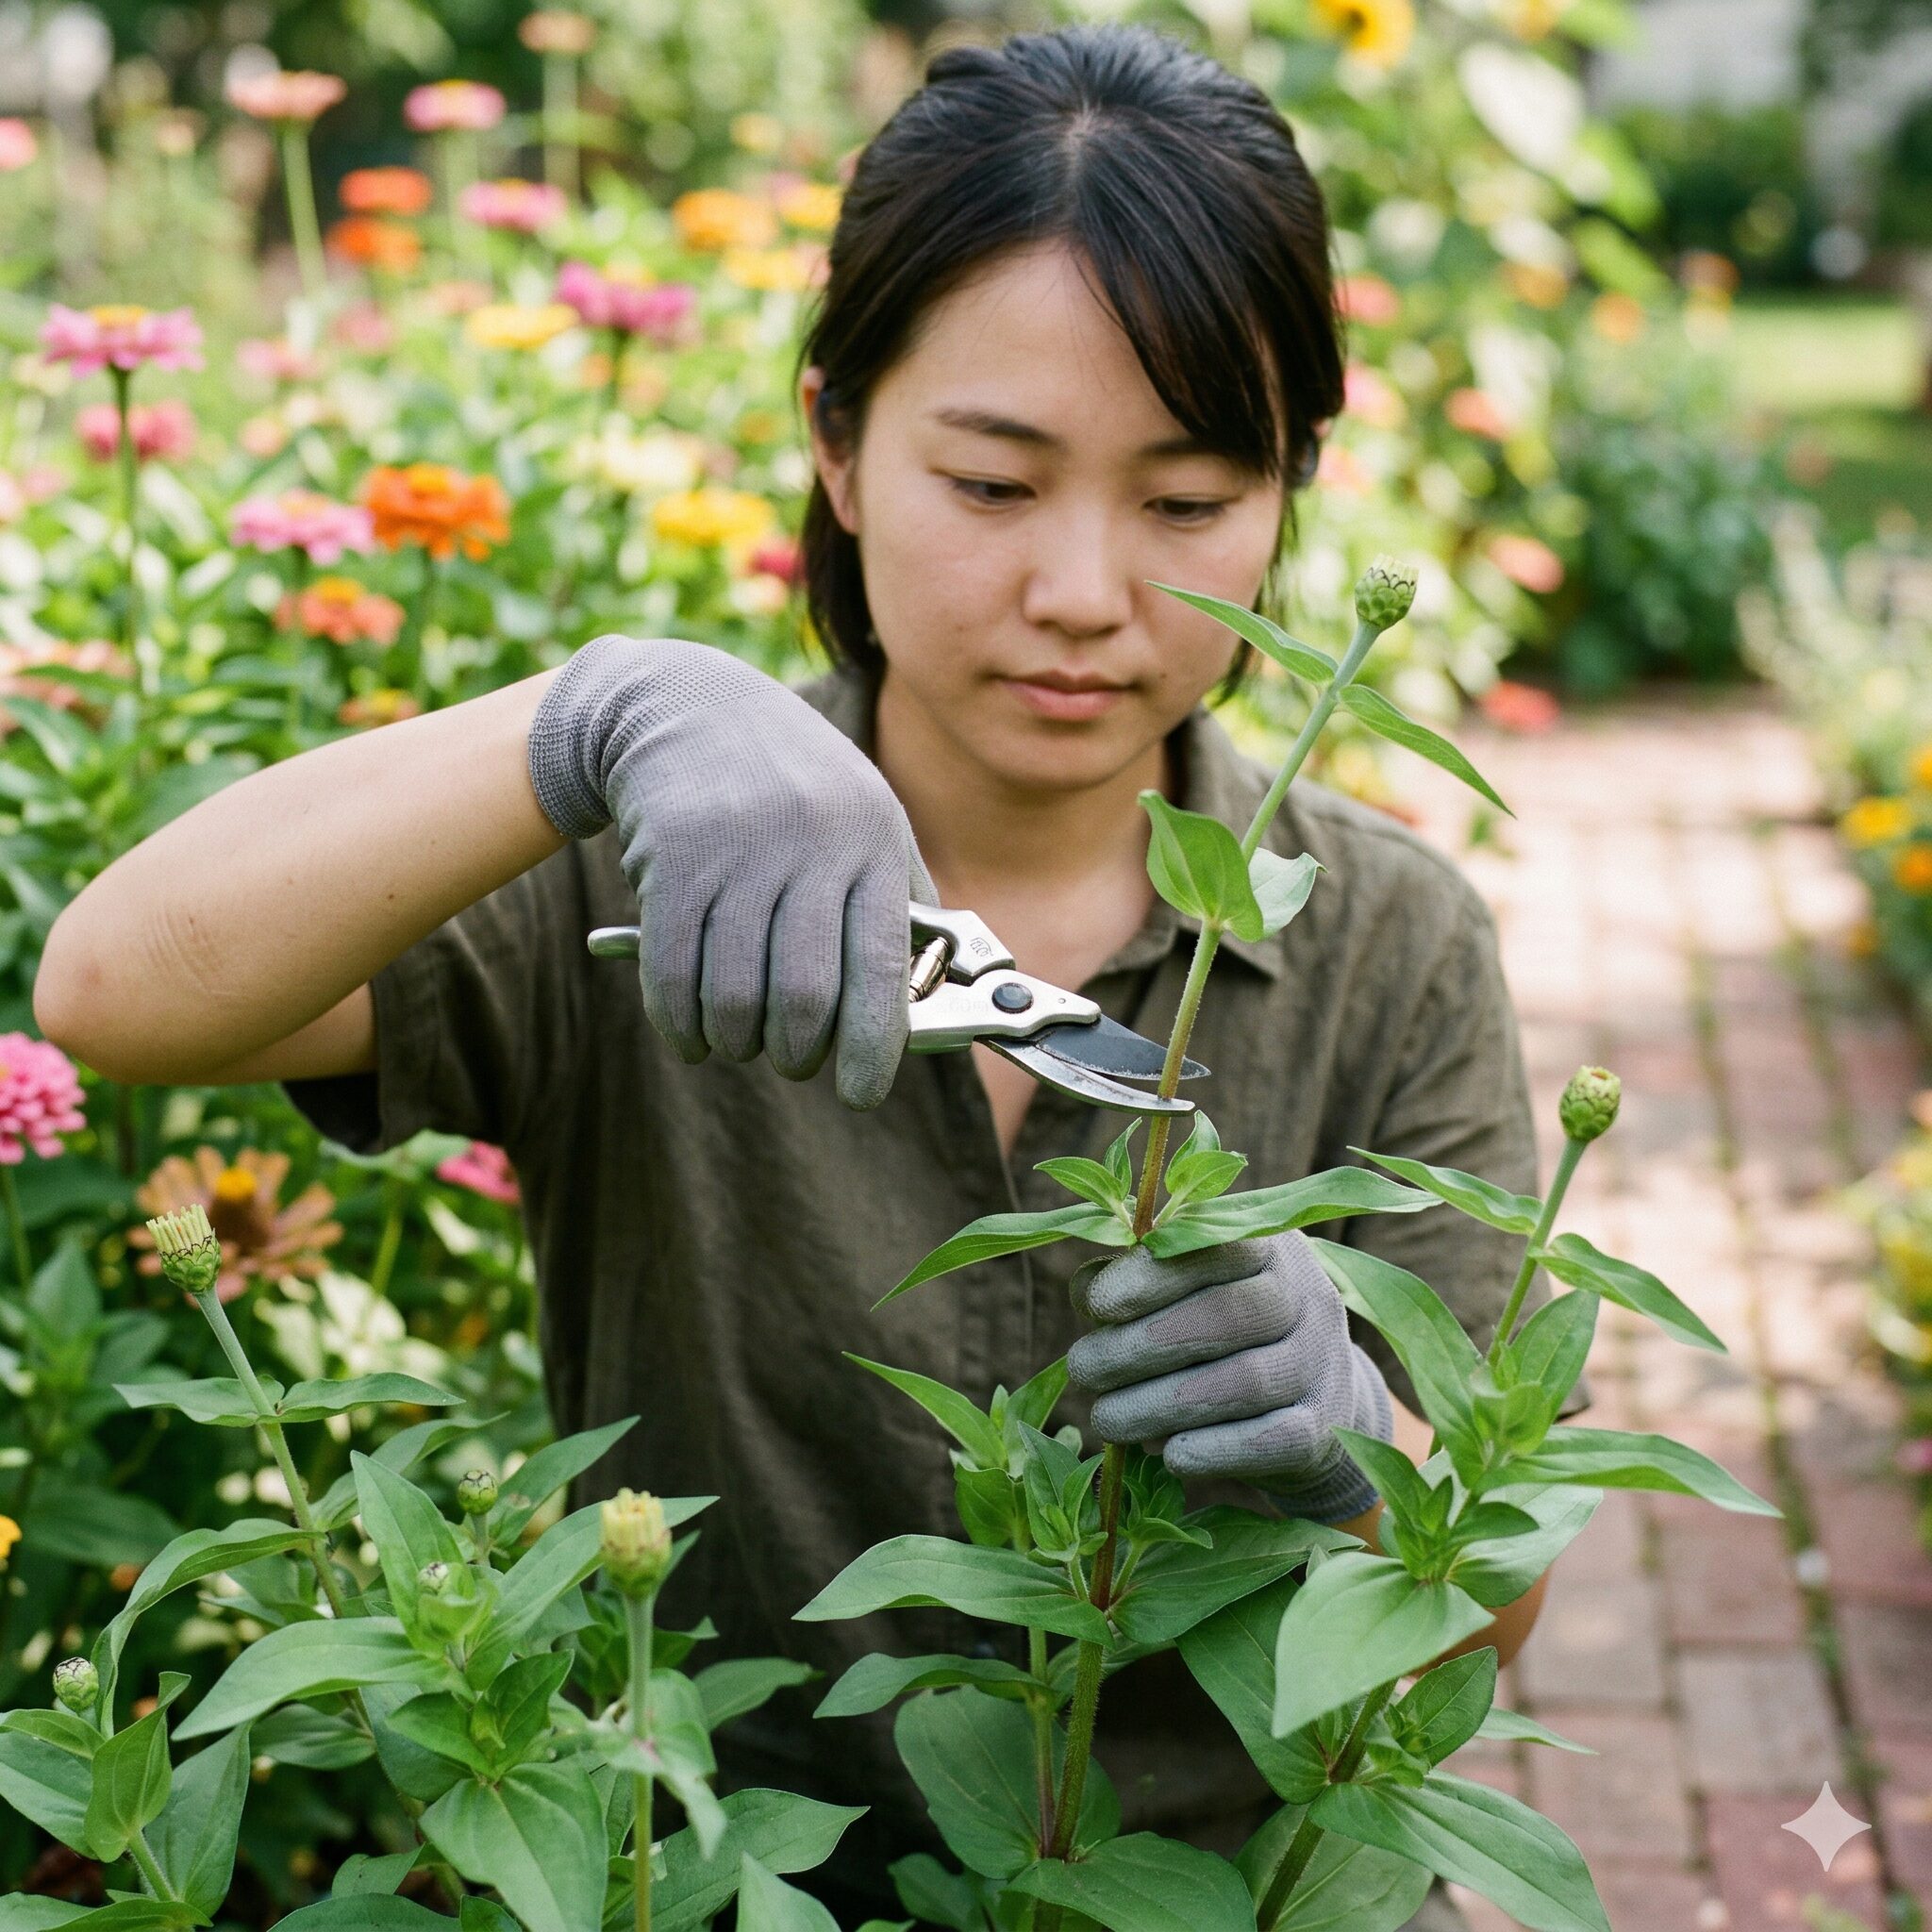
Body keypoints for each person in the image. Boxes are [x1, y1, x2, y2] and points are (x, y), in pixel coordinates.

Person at [36, 24, 1582, 1928]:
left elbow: (1489, 1618)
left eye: (1186, 503)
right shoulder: (650, 851)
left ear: (1291, 492)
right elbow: (112, 987)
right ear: (834, 442)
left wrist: (1360, 1450)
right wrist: (589, 712)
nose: (1084, 591)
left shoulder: (1392, 938)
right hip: (702, 1879)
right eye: (994, 483)